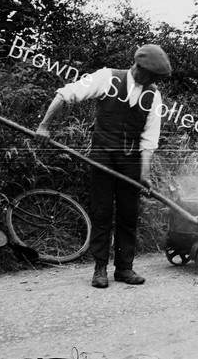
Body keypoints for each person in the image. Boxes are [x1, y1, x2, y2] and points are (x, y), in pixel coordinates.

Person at [35, 44, 172, 288]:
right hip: (102, 156)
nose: (152, 81)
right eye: (149, 75)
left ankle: (124, 269)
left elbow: (150, 139)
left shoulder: (153, 95)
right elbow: (65, 94)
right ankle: (100, 268)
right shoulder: (107, 77)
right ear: (137, 66)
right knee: (102, 213)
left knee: (129, 215)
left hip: (130, 161)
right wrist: (44, 126)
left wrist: (144, 175)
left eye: (156, 78)